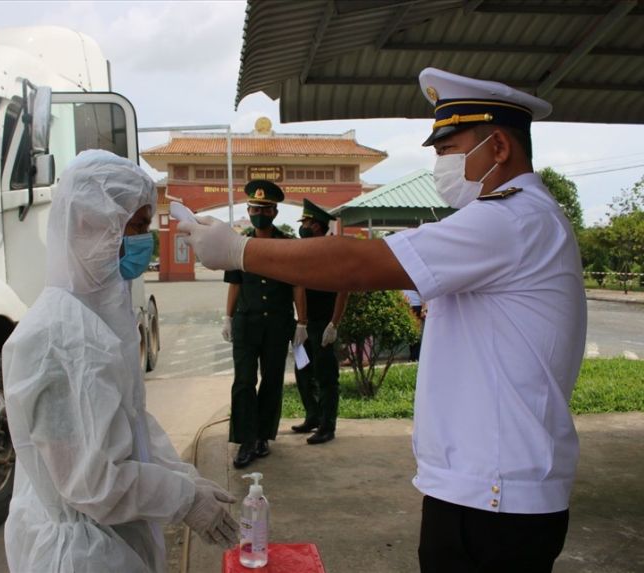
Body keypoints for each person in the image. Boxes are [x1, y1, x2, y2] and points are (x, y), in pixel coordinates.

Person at [179, 68, 587, 572]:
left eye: (448, 149)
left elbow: (357, 264)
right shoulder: (511, 220)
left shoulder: (512, 218)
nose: (440, 164)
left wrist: (240, 249)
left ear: (498, 146)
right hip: (483, 486)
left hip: (494, 493)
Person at [2, 150, 237, 573]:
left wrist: (183, 478)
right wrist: (183, 500)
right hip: (81, 556)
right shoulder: (59, 337)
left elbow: (130, 425)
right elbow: (94, 483)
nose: (143, 241)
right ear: (86, 223)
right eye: (137, 227)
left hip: (113, 543)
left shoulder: (97, 316)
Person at [222, 179, 308, 469]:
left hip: (277, 325)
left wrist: (302, 322)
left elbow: (298, 285)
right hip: (247, 324)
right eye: (254, 208)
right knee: (244, 382)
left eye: (264, 208)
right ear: (248, 210)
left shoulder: (288, 246)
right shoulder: (238, 244)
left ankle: (262, 437)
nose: (258, 212)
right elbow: (234, 284)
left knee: (272, 382)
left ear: (274, 212)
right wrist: (228, 317)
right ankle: (245, 440)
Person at [291, 199, 349, 445]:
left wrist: (334, 324)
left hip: (324, 323)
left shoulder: (333, 252)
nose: (302, 226)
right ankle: (312, 416)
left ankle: (327, 426)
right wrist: (300, 322)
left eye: (305, 222)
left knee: (326, 377)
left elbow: (343, 290)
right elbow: (299, 286)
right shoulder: (304, 250)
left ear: (316, 225)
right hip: (305, 324)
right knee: (302, 371)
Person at [402, 289, 424, 361]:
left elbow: (422, 291)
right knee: (411, 332)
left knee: (415, 332)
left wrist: (424, 307)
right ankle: (414, 356)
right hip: (406, 305)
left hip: (416, 305)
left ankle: (415, 356)